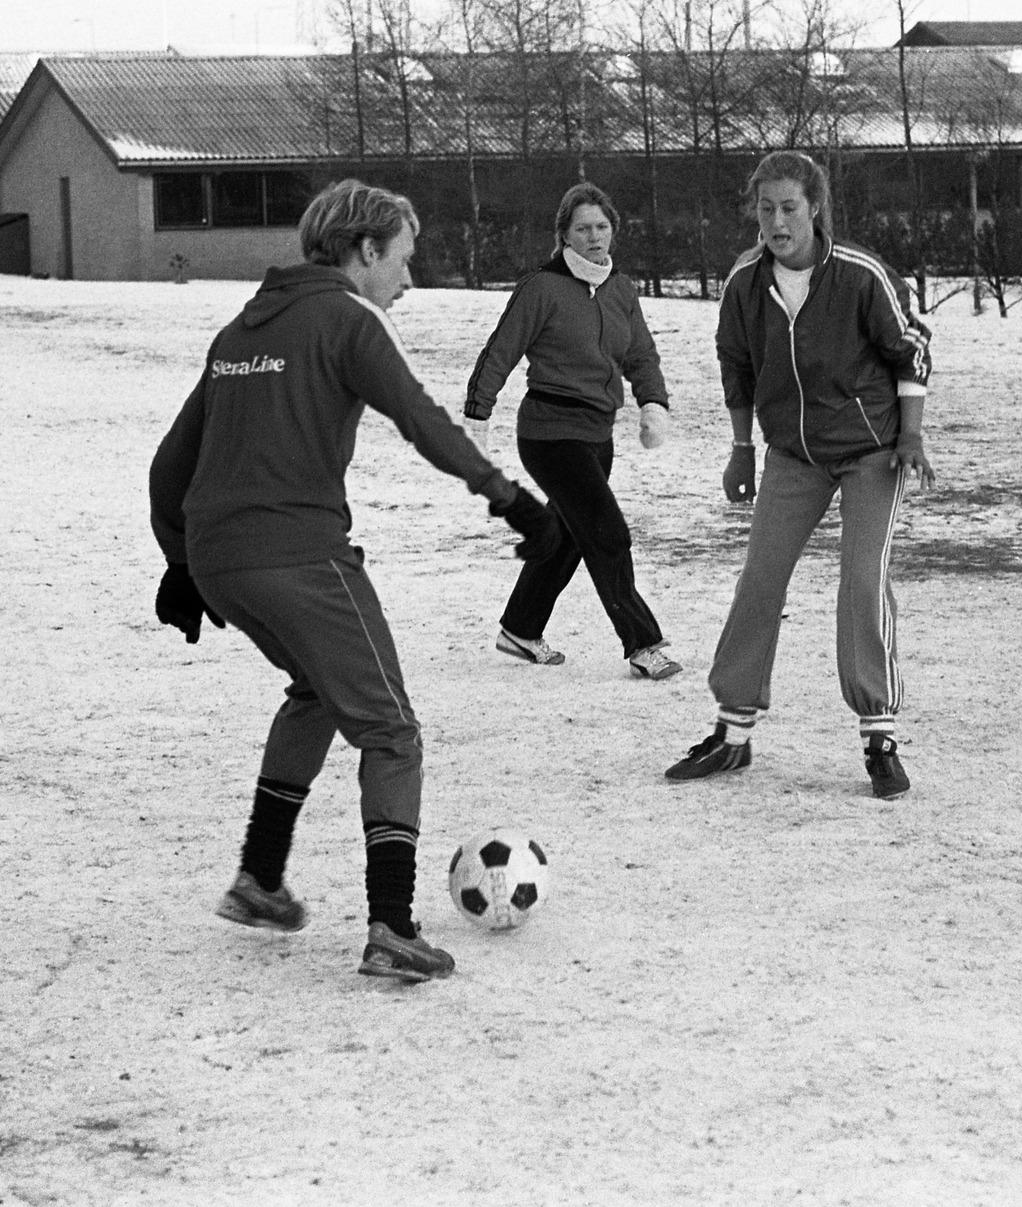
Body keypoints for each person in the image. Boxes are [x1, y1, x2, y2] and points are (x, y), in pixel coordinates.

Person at [148, 179, 561, 983]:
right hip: (300, 556)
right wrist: (510, 500)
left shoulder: (239, 331)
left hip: (223, 561)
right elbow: (420, 416)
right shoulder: (346, 317)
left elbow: (170, 463)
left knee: (317, 691)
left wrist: (181, 561)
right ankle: (392, 928)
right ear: (364, 249)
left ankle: (259, 879)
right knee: (391, 730)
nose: (408, 278)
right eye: (402, 259)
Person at [663, 150, 933, 799]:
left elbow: (912, 350)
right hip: (792, 452)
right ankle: (732, 732)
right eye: (766, 209)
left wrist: (912, 434)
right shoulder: (744, 282)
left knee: (861, 580)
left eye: (789, 207)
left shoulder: (861, 275)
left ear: (815, 208)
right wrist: (741, 448)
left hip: (872, 449)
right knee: (760, 578)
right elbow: (735, 365)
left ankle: (879, 736)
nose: (777, 222)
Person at [462, 182, 681, 680]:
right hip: (549, 433)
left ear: (613, 231)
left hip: (597, 436)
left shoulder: (621, 289)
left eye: (602, 227)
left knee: (566, 536)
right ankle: (644, 644)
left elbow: (641, 355)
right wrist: (478, 416)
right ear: (564, 234)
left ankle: (520, 628)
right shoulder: (541, 287)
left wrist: (653, 402)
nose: (594, 237)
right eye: (583, 229)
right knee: (607, 533)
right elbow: (500, 352)